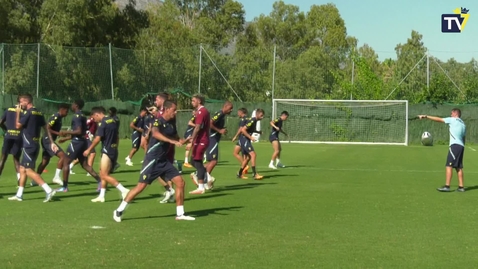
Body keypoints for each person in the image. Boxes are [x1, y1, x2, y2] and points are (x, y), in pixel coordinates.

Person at [113, 100, 195, 222]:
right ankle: (119, 211)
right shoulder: (158, 121)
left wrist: (185, 141)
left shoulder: (172, 123)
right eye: (174, 110)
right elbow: (155, 134)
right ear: (167, 110)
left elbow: (177, 138)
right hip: (152, 160)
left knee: (180, 183)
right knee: (140, 187)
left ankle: (180, 214)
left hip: (163, 161)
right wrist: (172, 142)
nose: (176, 112)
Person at [8, 93, 57, 202]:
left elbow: (17, 126)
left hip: (29, 145)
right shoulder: (39, 113)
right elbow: (46, 128)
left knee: (28, 170)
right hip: (34, 145)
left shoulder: (28, 113)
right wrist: (52, 142)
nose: (19, 105)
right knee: (22, 169)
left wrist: (17, 113)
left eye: (20, 102)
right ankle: (19, 195)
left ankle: (48, 190)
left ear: (26, 101)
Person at [85, 106, 130, 202]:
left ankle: (123, 190)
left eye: (94, 118)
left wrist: (89, 150)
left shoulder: (103, 123)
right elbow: (117, 136)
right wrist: (115, 147)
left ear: (97, 114)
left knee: (104, 175)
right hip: (113, 150)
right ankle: (102, 196)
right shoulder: (113, 121)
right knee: (103, 173)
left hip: (107, 151)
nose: (95, 120)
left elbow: (97, 139)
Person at [58, 99, 102, 191]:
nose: (72, 106)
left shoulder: (76, 116)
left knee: (65, 162)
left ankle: (64, 187)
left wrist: (65, 132)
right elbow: (82, 131)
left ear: (76, 105)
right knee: (85, 164)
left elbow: (78, 131)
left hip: (77, 142)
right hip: (83, 141)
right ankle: (100, 181)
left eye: (73, 104)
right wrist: (66, 138)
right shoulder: (82, 115)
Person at [418, 109, 466, 192]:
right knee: (459, 167)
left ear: (455, 113)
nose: (450, 114)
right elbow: (464, 137)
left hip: (454, 146)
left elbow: (439, 119)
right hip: (461, 146)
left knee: (449, 165)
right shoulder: (463, 124)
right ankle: (461, 187)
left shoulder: (452, 119)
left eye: (451, 113)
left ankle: (447, 186)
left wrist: (426, 116)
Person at [36, 103, 71, 189]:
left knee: (45, 161)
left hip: (47, 140)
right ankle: (56, 177)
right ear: (61, 109)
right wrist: (57, 135)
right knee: (63, 156)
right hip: (48, 140)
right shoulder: (56, 116)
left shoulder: (59, 118)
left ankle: (35, 179)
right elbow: (47, 127)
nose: (67, 113)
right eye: (66, 111)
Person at [199, 101, 233, 189]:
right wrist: (219, 130)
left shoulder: (222, 115)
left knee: (212, 161)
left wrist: (221, 130)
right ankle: (204, 181)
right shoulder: (220, 113)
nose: (231, 110)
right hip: (211, 138)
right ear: (225, 107)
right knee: (214, 161)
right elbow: (210, 123)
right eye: (230, 108)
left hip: (213, 138)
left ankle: (198, 173)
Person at [188, 94, 210, 195]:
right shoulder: (200, 111)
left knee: (197, 162)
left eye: (193, 100)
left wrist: (191, 140)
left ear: (199, 101)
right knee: (193, 161)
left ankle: (201, 187)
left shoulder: (201, 111)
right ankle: (206, 177)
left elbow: (197, 127)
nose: (192, 102)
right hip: (200, 139)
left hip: (202, 139)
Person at [237, 108, 265, 180]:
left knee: (248, 158)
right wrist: (251, 137)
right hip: (244, 139)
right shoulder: (252, 120)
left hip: (246, 139)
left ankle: (239, 173)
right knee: (253, 154)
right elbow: (243, 129)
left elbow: (250, 129)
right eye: (261, 115)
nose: (262, 117)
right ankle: (255, 174)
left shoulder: (254, 121)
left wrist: (258, 132)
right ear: (257, 114)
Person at [0, 99, 23, 182]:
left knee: (3, 158)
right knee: (17, 160)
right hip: (18, 137)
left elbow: (0, 122)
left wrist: (6, 130)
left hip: (8, 136)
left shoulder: (8, 110)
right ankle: (20, 181)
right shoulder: (23, 111)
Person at [231, 108, 249, 175]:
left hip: (242, 138)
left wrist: (235, 136)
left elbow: (241, 129)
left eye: (238, 112)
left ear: (242, 113)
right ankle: (244, 169)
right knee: (244, 154)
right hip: (246, 138)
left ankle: (245, 166)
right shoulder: (248, 119)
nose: (237, 114)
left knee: (235, 153)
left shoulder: (243, 119)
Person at [108, 106, 121, 172]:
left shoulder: (115, 119)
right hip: (111, 136)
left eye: (110, 112)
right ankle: (112, 164)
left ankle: (114, 164)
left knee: (114, 149)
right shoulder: (111, 118)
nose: (109, 113)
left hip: (115, 136)